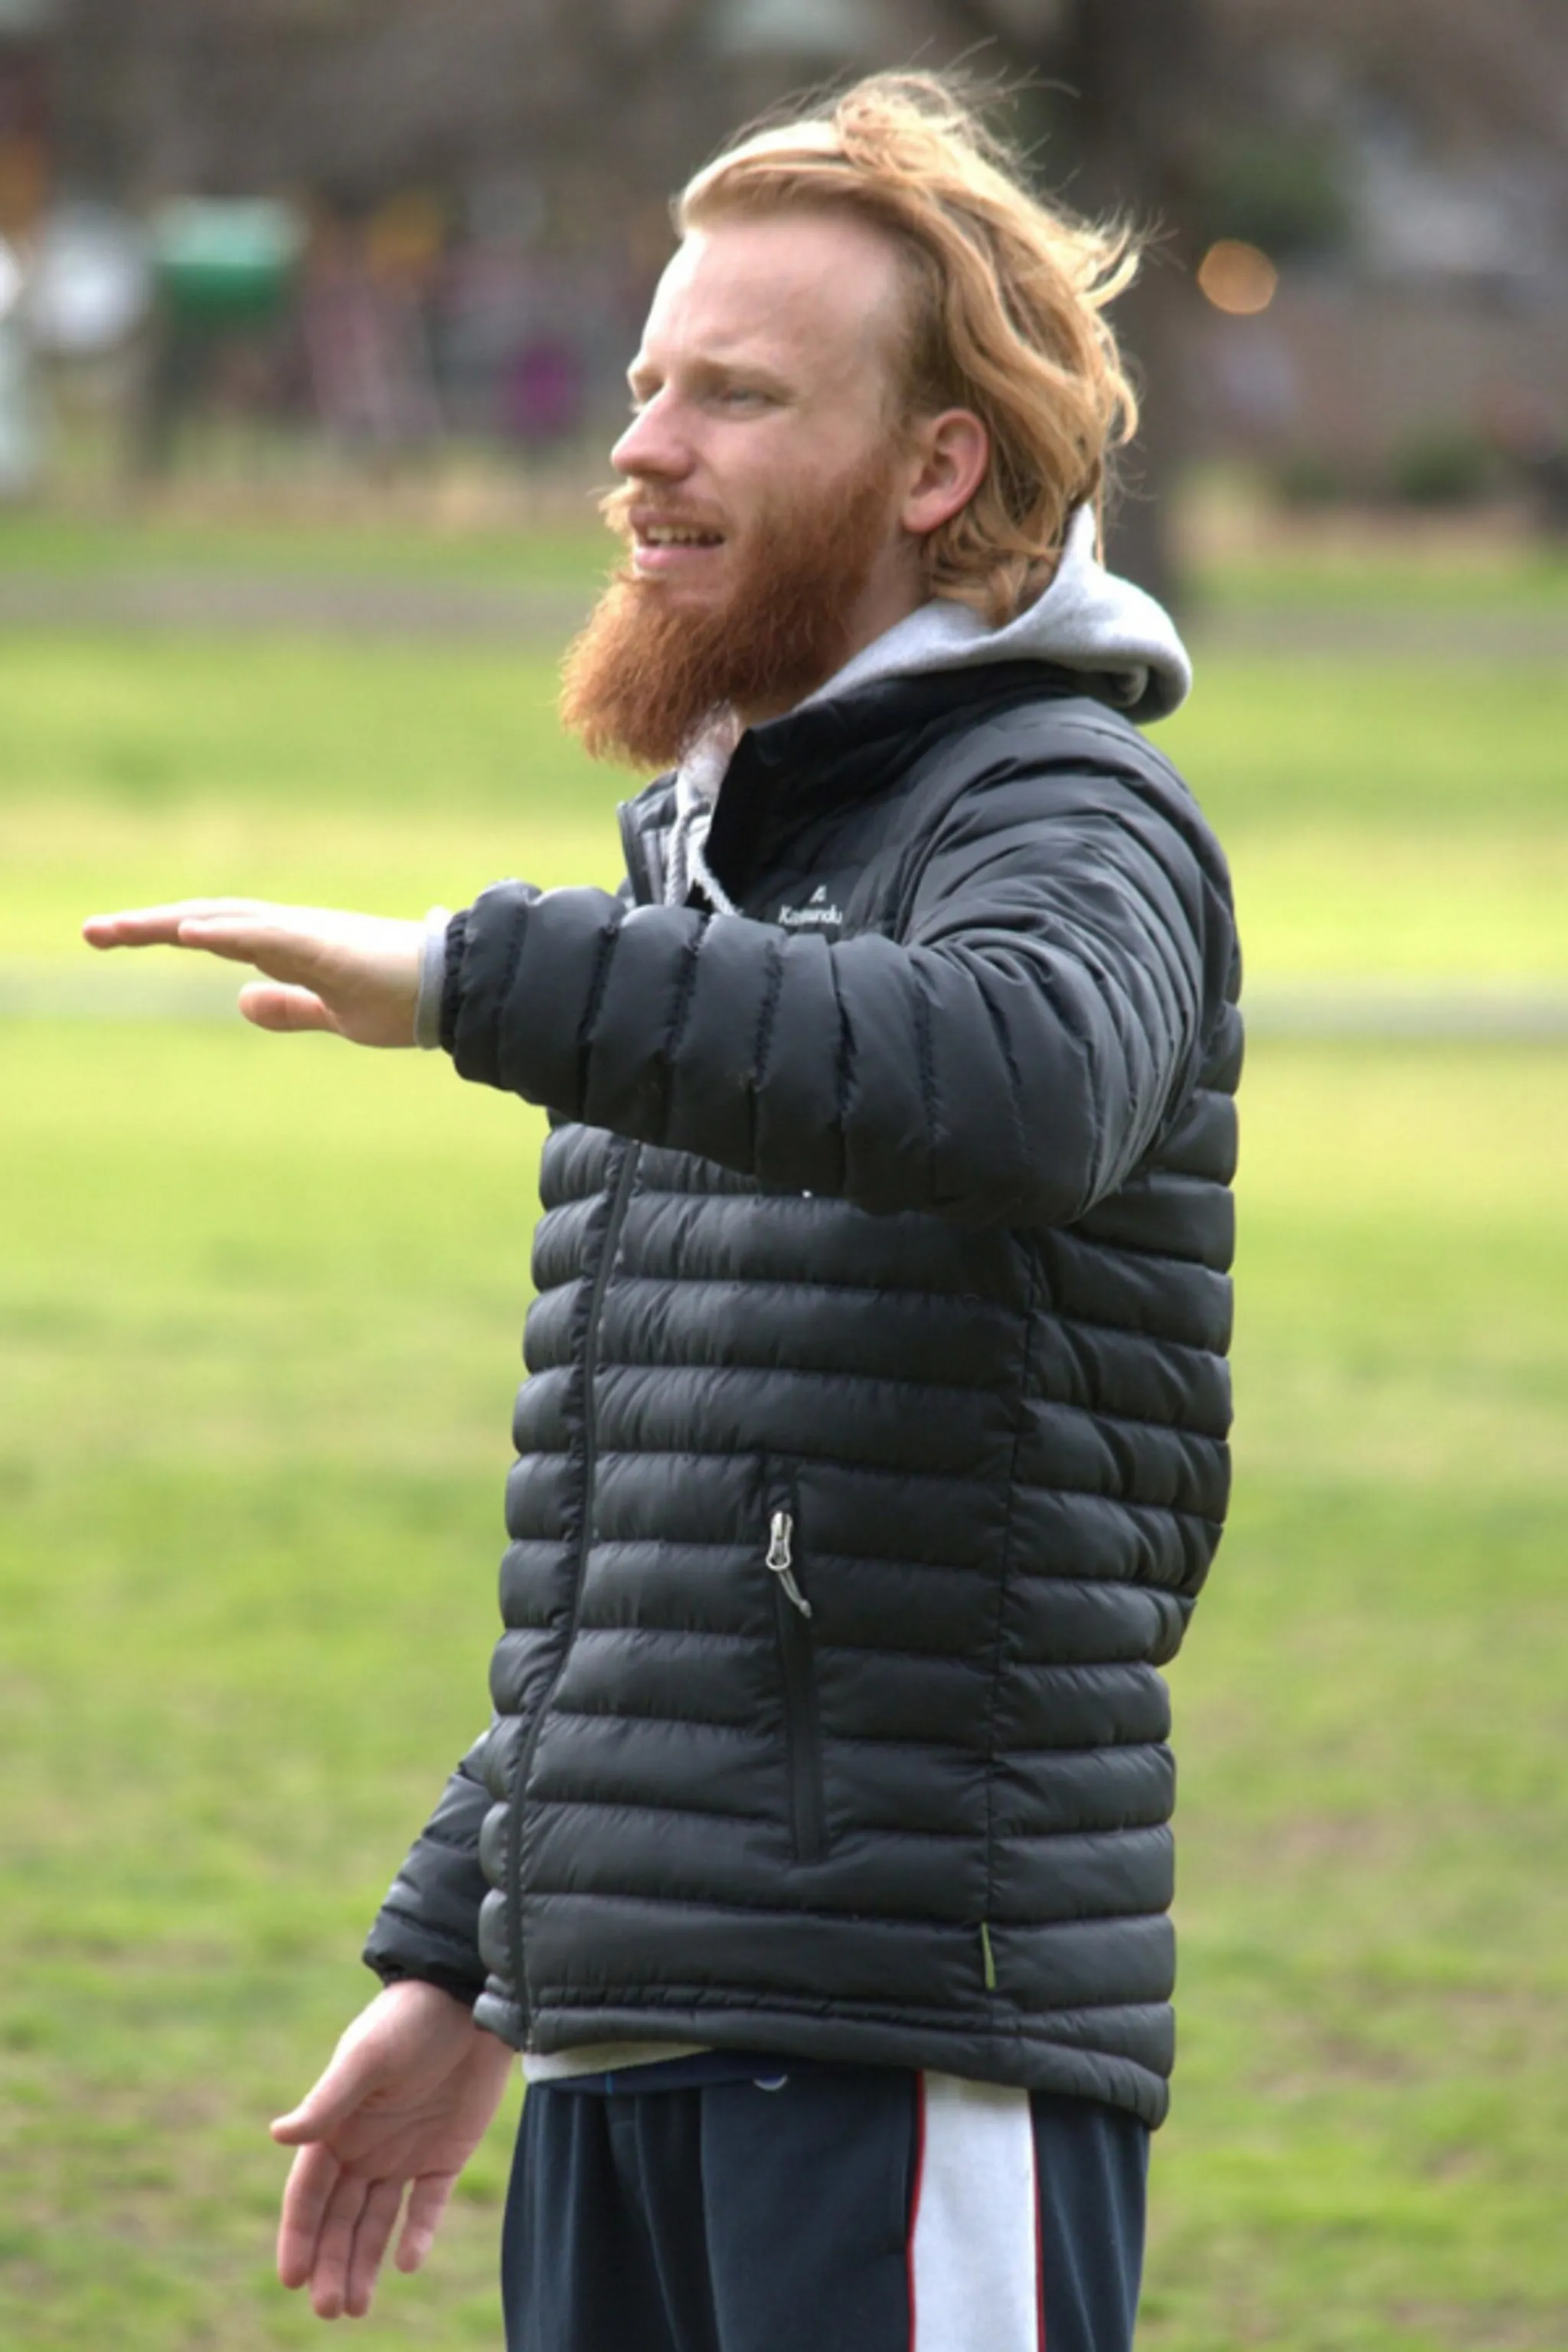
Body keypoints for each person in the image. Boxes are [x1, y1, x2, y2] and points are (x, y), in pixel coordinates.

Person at [83, 73, 1240, 2352]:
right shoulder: (716, 873)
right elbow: (672, 1532)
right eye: (644, 387)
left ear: (934, 472)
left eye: (735, 395)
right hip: (632, 2030)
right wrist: (466, 1948)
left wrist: (470, 980)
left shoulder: (1068, 803)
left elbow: (1020, 1082)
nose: (644, 450)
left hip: (906, 2036)